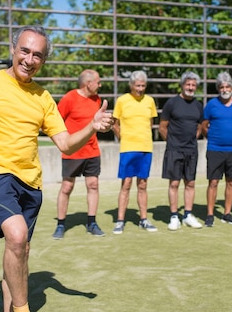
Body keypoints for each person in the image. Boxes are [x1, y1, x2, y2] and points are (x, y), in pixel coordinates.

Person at [0, 25, 113, 312]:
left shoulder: (43, 98)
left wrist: (91, 127)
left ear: (44, 60)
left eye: (37, 54)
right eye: (25, 50)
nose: (30, 58)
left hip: (31, 183)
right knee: (17, 236)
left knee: (19, 250)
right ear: (13, 49)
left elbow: (65, 144)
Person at [52, 69, 105, 239]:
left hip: (92, 151)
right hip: (73, 153)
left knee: (93, 185)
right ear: (88, 83)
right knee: (67, 187)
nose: (100, 84)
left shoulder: (97, 100)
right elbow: (56, 121)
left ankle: (92, 222)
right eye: (98, 81)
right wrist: (64, 142)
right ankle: (61, 224)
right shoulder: (69, 98)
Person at [112, 70, 158, 233]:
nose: (140, 89)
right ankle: (120, 220)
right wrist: (123, 137)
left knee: (143, 184)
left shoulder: (150, 101)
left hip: (146, 148)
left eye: (143, 86)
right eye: (137, 85)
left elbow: (151, 123)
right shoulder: (122, 100)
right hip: (128, 149)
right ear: (131, 85)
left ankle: (143, 219)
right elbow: (115, 124)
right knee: (126, 184)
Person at [202, 72, 232, 227]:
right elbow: (203, 126)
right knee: (213, 182)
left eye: (227, 86)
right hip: (215, 149)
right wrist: (214, 138)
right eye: (221, 87)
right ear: (218, 89)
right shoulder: (212, 104)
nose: (225, 89)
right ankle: (209, 215)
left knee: (231, 182)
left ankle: (227, 213)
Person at [158, 71, 203, 230]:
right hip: (174, 150)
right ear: (182, 85)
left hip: (191, 150)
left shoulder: (198, 105)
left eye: (193, 85)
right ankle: (174, 216)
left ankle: (188, 215)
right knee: (174, 183)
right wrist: (172, 143)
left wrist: (192, 140)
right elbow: (162, 127)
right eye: (188, 84)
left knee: (190, 183)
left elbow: (199, 127)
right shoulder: (172, 103)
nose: (190, 87)